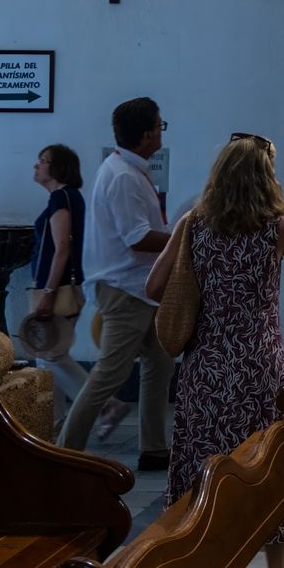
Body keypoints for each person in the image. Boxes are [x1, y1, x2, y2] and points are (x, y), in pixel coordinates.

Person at [146, 134, 284, 568]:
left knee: (204, 469)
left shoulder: (193, 223)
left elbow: (153, 285)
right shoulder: (276, 226)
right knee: (262, 469)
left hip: (205, 364)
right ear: (266, 179)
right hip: (256, 366)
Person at [61, 97, 174, 469]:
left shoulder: (128, 168)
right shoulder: (123, 175)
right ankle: (63, 453)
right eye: (159, 127)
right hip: (124, 288)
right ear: (145, 136)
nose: (161, 132)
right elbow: (137, 238)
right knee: (108, 375)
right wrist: (182, 236)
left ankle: (154, 447)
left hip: (140, 286)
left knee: (159, 362)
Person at [28, 144, 87, 425]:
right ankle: (56, 423)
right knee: (49, 356)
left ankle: (103, 405)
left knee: (49, 356)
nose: (36, 166)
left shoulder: (61, 199)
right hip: (65, 287)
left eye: (42, 161)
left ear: (57, 167)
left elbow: (62, 247)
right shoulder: (70, 197)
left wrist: (48, 292)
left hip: (58, 288)